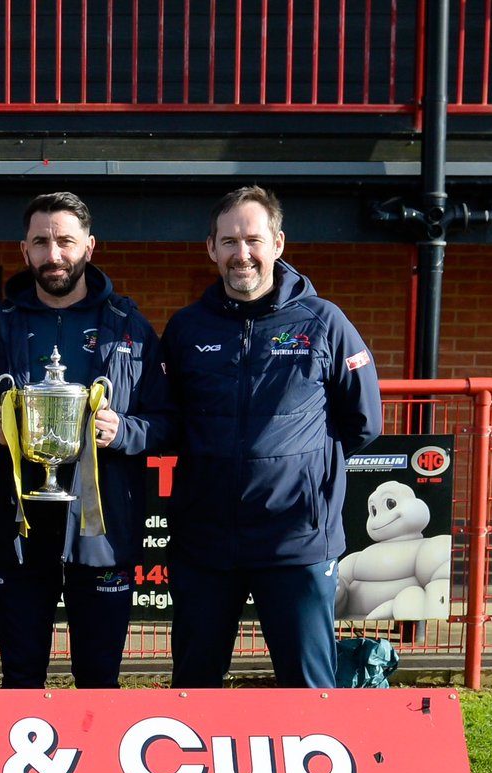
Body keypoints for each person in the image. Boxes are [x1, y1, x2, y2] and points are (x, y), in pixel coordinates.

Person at [160, 185, 383, 688]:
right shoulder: (186, 328)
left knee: (309, 690)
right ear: (211, 248)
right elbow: (169, 419)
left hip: (296, 541)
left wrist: (301, 474)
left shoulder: (324, 322)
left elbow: (363, 422)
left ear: (278, 244)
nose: (243, 254)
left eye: (254, 240)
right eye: (230, 241)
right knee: (194, 686)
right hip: (205, 543)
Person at [0, 191, 175, 688]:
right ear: (24, 251)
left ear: (90, 246)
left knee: (99, 680)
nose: (53, 254)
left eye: (65, 241)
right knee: (19, 677)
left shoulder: (131, 328)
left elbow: (169, 422)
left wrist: (125, 431)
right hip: (21, 532)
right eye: (41, 242)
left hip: (102, 534)